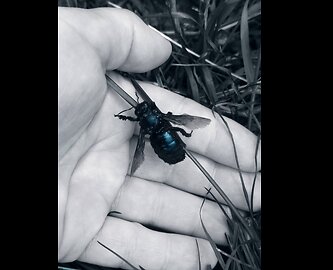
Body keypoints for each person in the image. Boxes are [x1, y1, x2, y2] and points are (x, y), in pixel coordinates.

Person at [58, 7, 261, 270]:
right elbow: (172, 126)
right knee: (171, 134)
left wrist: (130, 121)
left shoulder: (144, 127)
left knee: (167, 137)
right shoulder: (162, 120)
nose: (141, 111)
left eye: (142, 111)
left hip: (168, 144)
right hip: (169, 141)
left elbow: (152, 131)